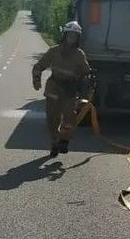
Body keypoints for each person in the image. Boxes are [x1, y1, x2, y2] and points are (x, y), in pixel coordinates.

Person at [32, 21, 93, 158]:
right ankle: (54, 142)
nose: (72, 38)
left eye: (75, 36)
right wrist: (36, 79)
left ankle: (64, 140)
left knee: (69, 118)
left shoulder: (79, 54)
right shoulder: (54, 51)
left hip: (69, 90)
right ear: (64, 35)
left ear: (78, 38)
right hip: (54, 87)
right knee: (52, 118)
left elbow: (86, 73)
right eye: (70, 35)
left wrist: (86, 89)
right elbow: (39, 66)